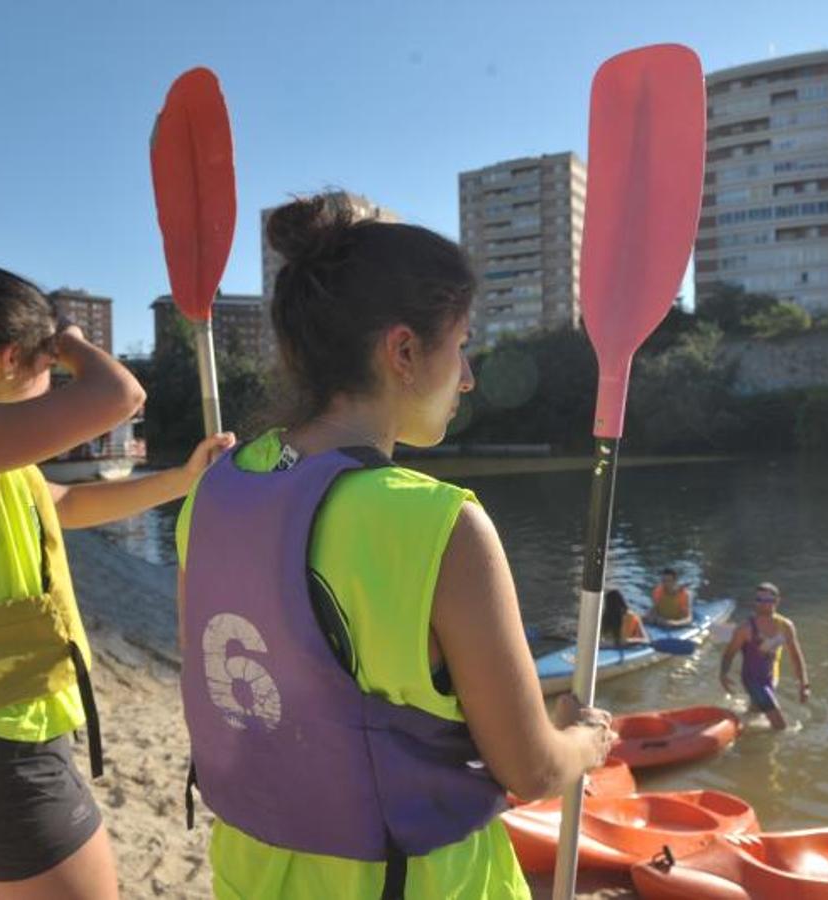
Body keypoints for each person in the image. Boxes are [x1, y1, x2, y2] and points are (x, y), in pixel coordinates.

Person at [176, 196, 615, 899]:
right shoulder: (441, 525)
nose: (467, 375)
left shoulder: (214, 489)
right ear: (404, 351)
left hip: (251, 871)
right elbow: (528, 769)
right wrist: (585, 742)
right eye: (462, 342)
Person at [0, 264, 231, 899]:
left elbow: (70, 506)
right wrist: (72, 338)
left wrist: (186, 479)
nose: (54, 376)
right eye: (47, 363)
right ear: (9, 359)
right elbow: (121, 398)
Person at [719, 581, 810, 730]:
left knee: (756, 710)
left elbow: (796, 655)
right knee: (780, 726)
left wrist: (804, 684)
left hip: (771, 677)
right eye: (759, 600)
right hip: (752, 679)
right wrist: (723, 674)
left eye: (768, 600)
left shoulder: (786, 626)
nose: (763, 604)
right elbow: (729, 653)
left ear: (776, 601)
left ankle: (738, 724)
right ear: (754, 602)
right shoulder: (745, 629)